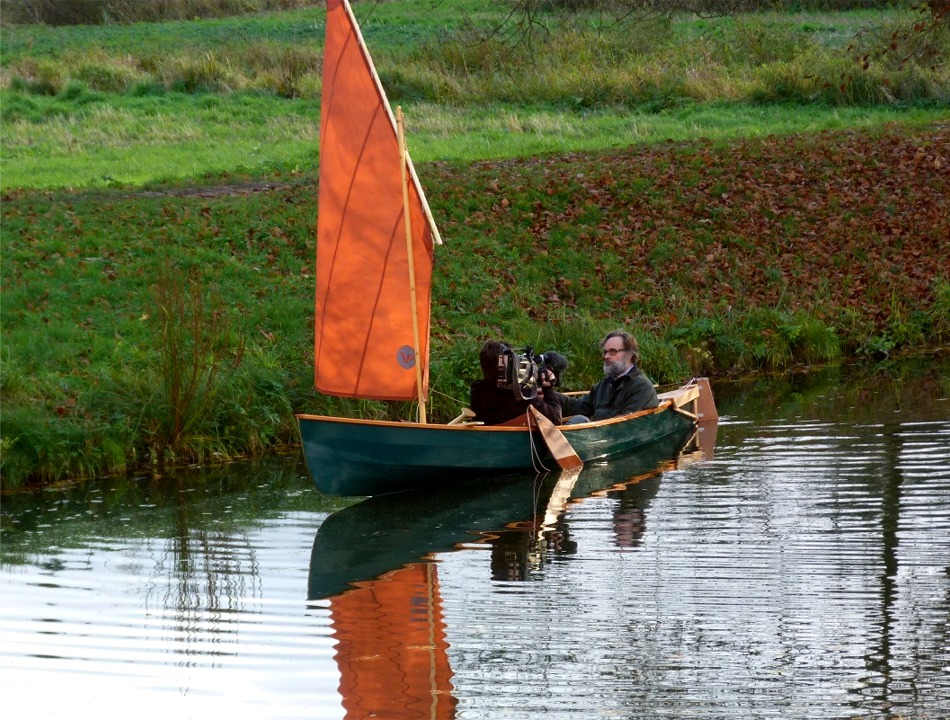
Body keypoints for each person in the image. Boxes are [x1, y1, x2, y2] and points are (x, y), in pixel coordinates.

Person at [554, 329, 658, 423]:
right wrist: (549, 395)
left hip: (615, 439)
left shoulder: (641, 386)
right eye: (605, 352)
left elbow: (627, 424)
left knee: (579, 420)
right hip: (597, 438)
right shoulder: (604, 385)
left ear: (629, 354)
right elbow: (579, 407)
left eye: (613, 351)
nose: (606, 356)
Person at [470, 340, 562, 426]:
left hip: (489, 439)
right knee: (574, 416)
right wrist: (548, 388)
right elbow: (556, 419)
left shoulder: (477, 391)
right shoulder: (520, 394)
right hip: (519, 440)